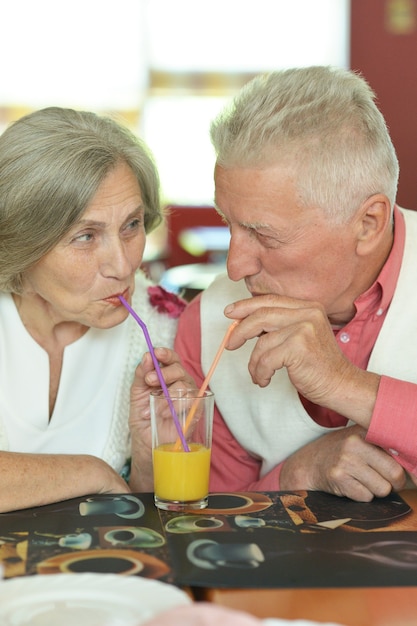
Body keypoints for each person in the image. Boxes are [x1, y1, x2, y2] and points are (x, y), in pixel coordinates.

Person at [158, 65, 417, 503]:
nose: (235, 267)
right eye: (229, 224)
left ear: (368, 223)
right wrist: (299, 471)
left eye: (264, 234)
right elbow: (208, 532)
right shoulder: (206, 324)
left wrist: (342, 384)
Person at [0, 106, 192, 513]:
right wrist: (93, 473)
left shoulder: (167, 329)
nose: (123, 267)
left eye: (132, 225)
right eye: (86, 236)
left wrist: (146, 458)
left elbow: (154, 518)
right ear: (20, 244)